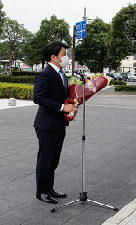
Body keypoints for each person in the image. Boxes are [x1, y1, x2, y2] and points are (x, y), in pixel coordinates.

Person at [33, 41, 78, 204]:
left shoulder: (61, 73)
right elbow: (38, 98)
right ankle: (42, 191)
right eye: (64, 54)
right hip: (47, 124)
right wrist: (62, 107)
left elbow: (61, 96)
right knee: (45, 159)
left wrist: (71, 106)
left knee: (54, 159)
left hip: (59, 123)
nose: (66, 57)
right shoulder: (45, 74)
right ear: (53, 57)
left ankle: (50, 188)